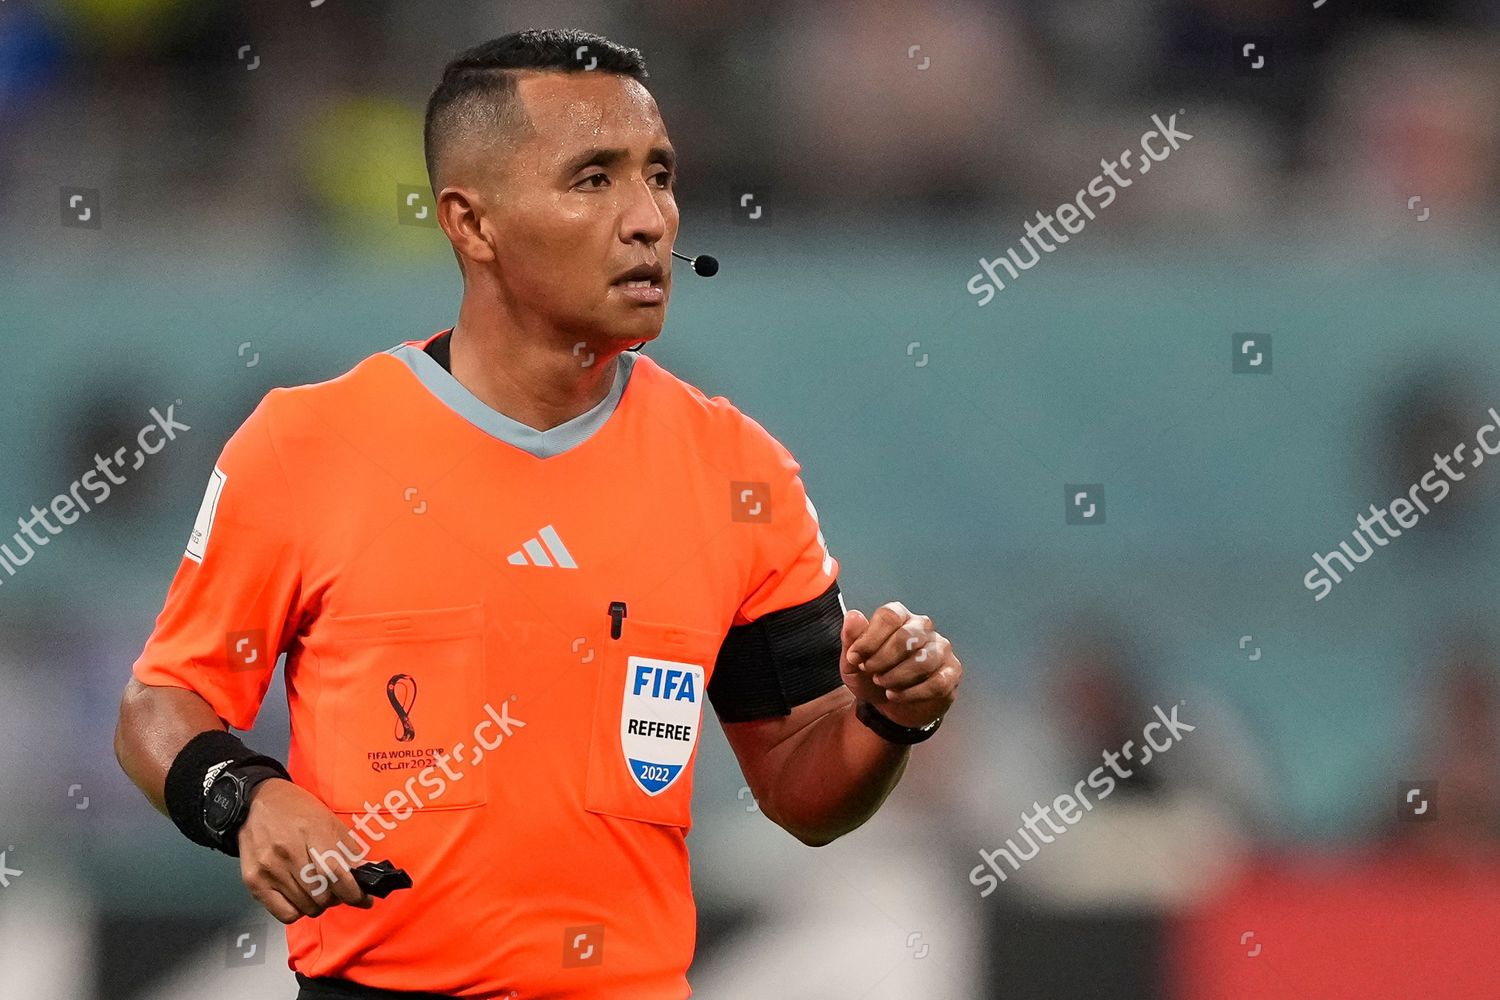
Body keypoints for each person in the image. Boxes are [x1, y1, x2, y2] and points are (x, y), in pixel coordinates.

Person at [112, 28, 962, 1000]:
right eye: (593, 179)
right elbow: (161, 703)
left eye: (660, 174)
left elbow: (802, 788)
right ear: (472, 224)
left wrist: (890, 718)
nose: (649, 219)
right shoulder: (308, 445)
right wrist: (246, 795)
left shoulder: (740, 472)